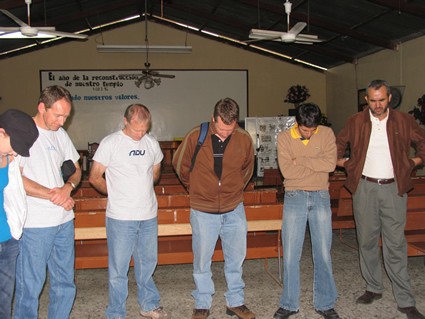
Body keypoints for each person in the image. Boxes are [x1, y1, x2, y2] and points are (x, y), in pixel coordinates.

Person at [336, 79, 425, 319]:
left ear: (389, 99)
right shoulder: (355, 121)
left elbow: (423, 142)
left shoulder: (404, 120)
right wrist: (344, 163)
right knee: (366, 241)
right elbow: (337, 144)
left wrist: (414, 162)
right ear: (367, 99)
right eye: (373, 100)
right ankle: (373, 287)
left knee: (395, 244)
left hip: (394, 189)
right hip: (364, 188)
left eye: (382, 100)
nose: (377, 105)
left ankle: (405, 300)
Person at [172, 98, 255, 319]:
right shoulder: (195, 136)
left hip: (234, 208)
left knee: (236, 258)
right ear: (213, 119)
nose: (225, 133)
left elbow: (247, 169)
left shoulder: (244, 139)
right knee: (202, 260)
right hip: (203, 209)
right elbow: (179, 165)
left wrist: (235, 189)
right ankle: (202, 303)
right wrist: (196, 188)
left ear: (236, 123)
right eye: (221, 128)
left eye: (230, 129)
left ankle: (235, 302)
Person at [89, 104, 169, 319]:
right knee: (119, 269)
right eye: (136, 130)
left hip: (148, 215)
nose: (140, 134)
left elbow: (155, 170)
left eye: (144, 129)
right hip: (121, 217)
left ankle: (149, 304)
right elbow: (95, 176)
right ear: (125, 121)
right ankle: (116, 312)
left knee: (147, 263)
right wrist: (114, 193)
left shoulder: (151, 143)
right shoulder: (111, 143)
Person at [14, 86, 82, 319]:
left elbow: (76, 170)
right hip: (35, 224)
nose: (62, 122)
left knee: (65, 283)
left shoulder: (60, 134)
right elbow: (15, 177)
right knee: (30, 286)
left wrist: (68, 187)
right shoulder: (23, 133)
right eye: (58, 115)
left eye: (66, 116)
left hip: (63, 220)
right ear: (42, 107)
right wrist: (53, 195)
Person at [273, 103, 340, 319]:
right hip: (294, 197)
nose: (309, 134)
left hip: (320, 195)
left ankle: (325, 303)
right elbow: (287, 171)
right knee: (291, 253)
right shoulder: (284, 138)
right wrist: (314, 163)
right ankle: (289, 303)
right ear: (297, 123)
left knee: (323, 253)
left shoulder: (327, 133)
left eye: (313, 130)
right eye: (305, 130)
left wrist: (300, 160)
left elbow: (330, 164)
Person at [0, 109, 38, 318]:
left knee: (4, 304)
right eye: (14, 147)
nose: (16, 153)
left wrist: (15, 232)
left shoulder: (9, 159)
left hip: (7, 241)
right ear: (1, 132)